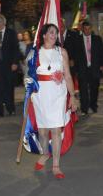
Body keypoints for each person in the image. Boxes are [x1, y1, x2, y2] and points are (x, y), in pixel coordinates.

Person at [30, 24, 78, 179]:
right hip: (41, 95)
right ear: (43, 35)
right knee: (43, 131)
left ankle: (56, 165)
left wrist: (73, 96)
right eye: (51, 32)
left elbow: (68, 76)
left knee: (56, 130)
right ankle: (45, 154)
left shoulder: (62, 52)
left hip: (58, 94)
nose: (54, 35)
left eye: (56, 33)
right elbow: (29, 75)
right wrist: (28, 83)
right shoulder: (35, 53)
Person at [0, 15, 21, 116]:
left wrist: (15, 62)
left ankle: (11, 108)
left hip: (9, 64)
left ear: (3, 22)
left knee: (9, 87)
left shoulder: (11, 33)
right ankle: (0, 111)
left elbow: (16, 49)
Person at [75, 20, 103, 115]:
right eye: (85, 29)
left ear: (91, 29)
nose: (87, 31)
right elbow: (75, 55)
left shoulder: (97, 39)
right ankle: (84, 108)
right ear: (82, 29)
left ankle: (93, 105)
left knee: (94, 89)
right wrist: (76, 68)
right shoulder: (77, 40)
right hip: (83, 69)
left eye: (89, 29)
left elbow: (102, 53)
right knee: (83, 89)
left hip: (95, 68)